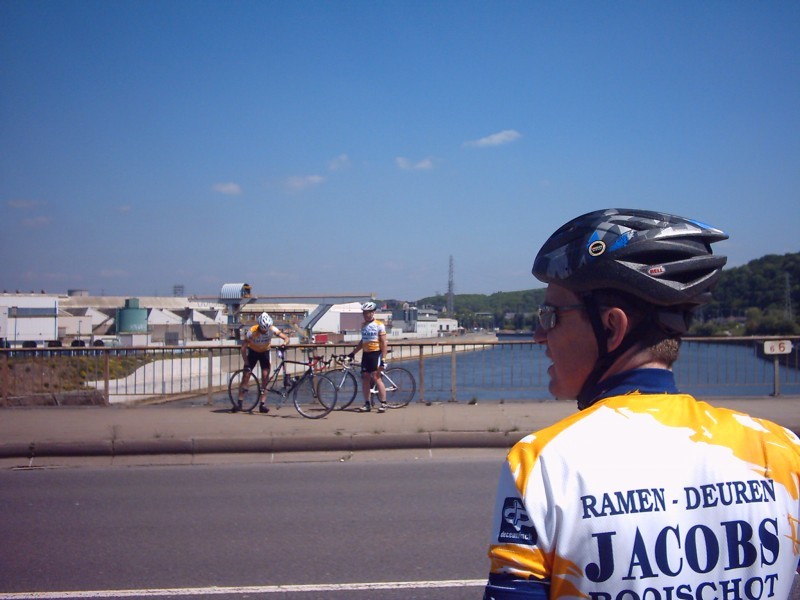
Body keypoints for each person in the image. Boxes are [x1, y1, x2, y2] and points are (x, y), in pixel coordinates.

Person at [484, 209, 800, 599]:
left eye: (550, 316)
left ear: (612, 328)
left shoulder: (543, 466)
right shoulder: (783, 451)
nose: (537, 335)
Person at [238, 311, 289, 413]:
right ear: (259, 326)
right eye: (263, 330)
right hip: (253, 352)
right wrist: (246, 362)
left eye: (266, 330)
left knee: (265, 378)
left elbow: (286, 338)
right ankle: (239, 402)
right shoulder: (252, 331)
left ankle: (262, 404)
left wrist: (284, 343)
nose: (265, 332)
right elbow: (243, 348)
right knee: (246, 376)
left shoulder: (272, 329)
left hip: (265, 352)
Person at [348, 301, 388, 413]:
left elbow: (384, 343)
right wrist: (353, 352)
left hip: (376, 353)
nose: (366, 315)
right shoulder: (363, 325)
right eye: (364, 313)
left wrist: (383, 359)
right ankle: (367, 404)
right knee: (365, 378)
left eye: (368, 313)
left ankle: (384, 403)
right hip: (366, 355)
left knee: (376, 377)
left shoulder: (379, 325)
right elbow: (363, 341)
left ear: (373, 313)